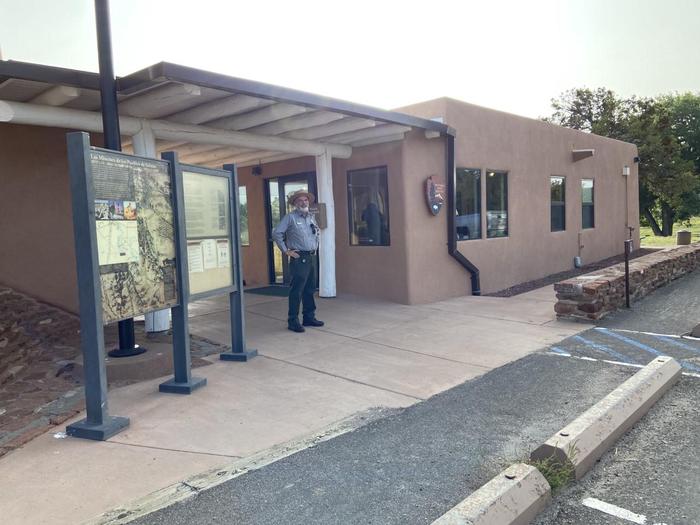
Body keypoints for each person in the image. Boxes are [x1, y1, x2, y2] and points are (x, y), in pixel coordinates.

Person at [271, 189, 324, 333]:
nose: (303, 202)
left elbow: (315, 233)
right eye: (300, 200)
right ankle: (293, 320)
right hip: (299, 258)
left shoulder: (311, 217)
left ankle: (309, 317)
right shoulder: (290, 218)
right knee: (297, 290)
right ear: (295, 203)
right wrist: (286, 250)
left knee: (310, 289)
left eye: (305, 200)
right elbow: (277, 233)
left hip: (311, 257)